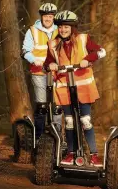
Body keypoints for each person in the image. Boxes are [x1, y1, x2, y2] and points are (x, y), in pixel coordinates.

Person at [44, 10, 106, 167]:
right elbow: (47, 63)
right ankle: (71, 152)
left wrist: (87, 59)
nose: (63, 30)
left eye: (66, 27)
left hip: (84, 87)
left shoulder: (83, 39)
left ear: (72, 27)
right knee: (70, 121)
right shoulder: (53, 44)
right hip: (64, 88)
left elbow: (101, 51)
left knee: (85, 121)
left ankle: (93, 154)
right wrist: (49, 65)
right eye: (60, 27)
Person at [22, 3, 62, 140]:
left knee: (58, 106)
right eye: (45, 16)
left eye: (50, 16)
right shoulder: (32, 30)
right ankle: (38, 138)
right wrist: (34, 60)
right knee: (42, 105)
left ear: (54, 17)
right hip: (39, 72)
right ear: (41, 17)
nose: (48, 19)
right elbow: (25, 51)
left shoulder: (60, 30)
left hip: (58, 74)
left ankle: (57, 136)